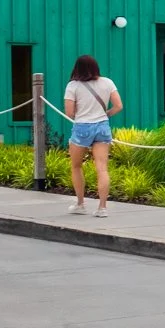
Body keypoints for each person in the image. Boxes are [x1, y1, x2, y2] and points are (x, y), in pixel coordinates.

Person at [63, 54, 122, 217]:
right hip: (102, 126)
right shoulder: (107, 82)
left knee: (76, 166)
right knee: (102, 168)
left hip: (82, 126)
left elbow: (69, 112)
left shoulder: (73, 86)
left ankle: (80, 204)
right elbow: (118, 106)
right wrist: (105, 115)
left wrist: (82, 116)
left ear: (77, 68)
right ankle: (102, 208)